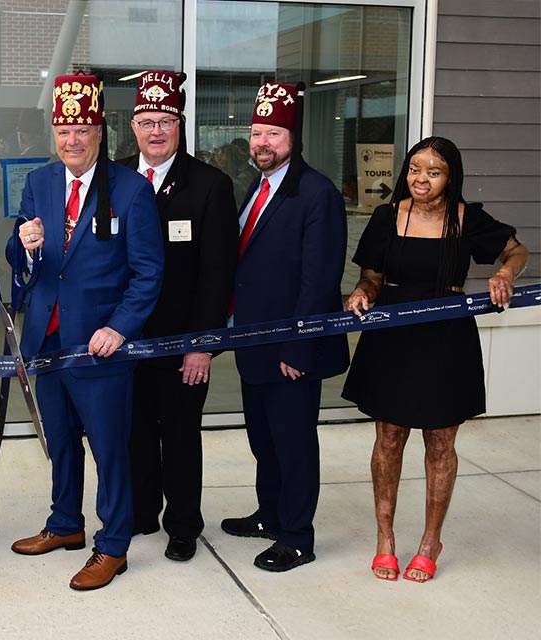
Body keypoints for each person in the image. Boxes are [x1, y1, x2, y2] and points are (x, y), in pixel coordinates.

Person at [342, 136, 528, 583]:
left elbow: (516, 250)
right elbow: (372, 276)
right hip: (392, 337)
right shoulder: (388, 216)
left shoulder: (466, 218)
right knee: (389, 437)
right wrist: (363, 293)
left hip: (446, 340)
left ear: (450, 177)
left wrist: (504, 273)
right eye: (415, 169)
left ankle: (430, 541)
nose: (421, 179)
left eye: (433, 171)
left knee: (440, 443)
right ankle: (385, 538)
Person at [8, 72, 164, 591]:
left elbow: (148, 272)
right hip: (47, 340)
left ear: (100, 132)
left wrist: (119, 329)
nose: (71, 140)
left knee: (108, 447)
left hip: (100, 346)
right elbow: (21, 262)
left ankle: (113, 544)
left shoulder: (132, 189)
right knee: (60, 443)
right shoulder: (41, 182)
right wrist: (24, 245)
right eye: (63, 129)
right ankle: (65, 525)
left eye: (82, 129)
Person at [220, 82, 349, 572]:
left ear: (292, 138)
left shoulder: (317, 194)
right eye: (256, 133)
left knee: (293, 445)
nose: (262, 143)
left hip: (292, 351)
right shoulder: (257, 186)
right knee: (264, 438)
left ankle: (297, 536)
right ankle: (270, 515)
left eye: (272, 133)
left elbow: (319, 282)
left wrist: (298, 349)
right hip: (255, 342)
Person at [117, 70, 239, 562]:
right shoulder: (116, 178)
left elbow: (217, 274)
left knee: (182, 434)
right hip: (126, 339)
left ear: (180, 124)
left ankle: (184, 523)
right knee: (135, 430)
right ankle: (143, 512)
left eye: (166, 121)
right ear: (132, 126)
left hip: (182, 339)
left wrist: (202, 344)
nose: (156, 131)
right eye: (146, 121)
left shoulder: (210, 185)